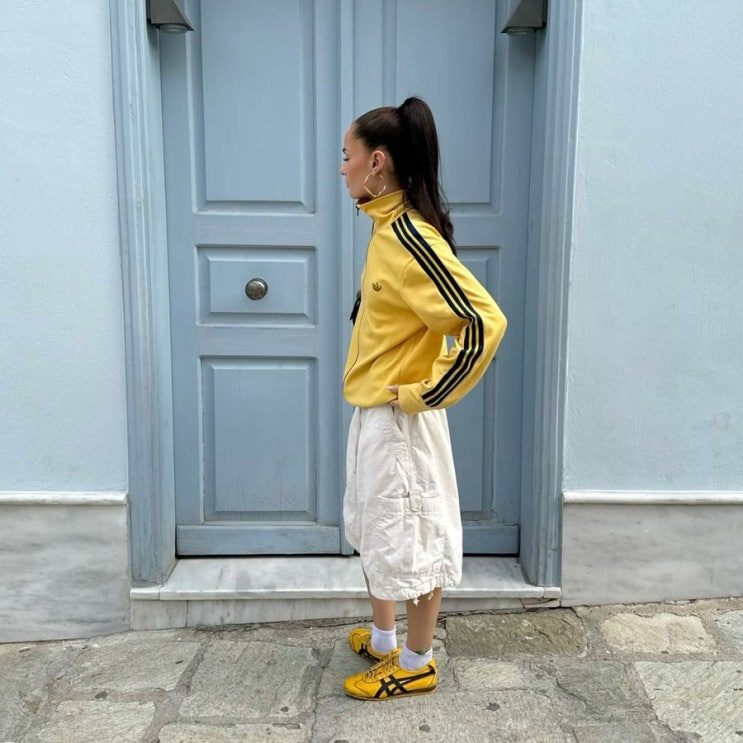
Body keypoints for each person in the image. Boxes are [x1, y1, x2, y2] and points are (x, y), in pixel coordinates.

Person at [338, 97, 507, 700]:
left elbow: (484, 322)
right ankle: (386, 641)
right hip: (375, 414)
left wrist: (424, 393)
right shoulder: (385, 228)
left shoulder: (411, 237)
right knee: (379, 530)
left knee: (416, 539)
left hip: (401, 422)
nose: (341, 168)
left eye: (347, 155)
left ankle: (416, 661)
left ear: (376, 161)